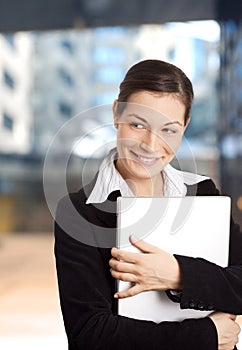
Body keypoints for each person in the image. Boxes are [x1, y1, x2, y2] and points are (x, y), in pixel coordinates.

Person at [54, 59, 242, 350]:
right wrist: (206, 335)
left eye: (169, 130)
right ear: (117, 113)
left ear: (185, 125)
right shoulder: (80, 212)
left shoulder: (203, 193)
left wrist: (178, 274)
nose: (151, 145)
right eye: (138, 124)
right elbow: (90, 335)